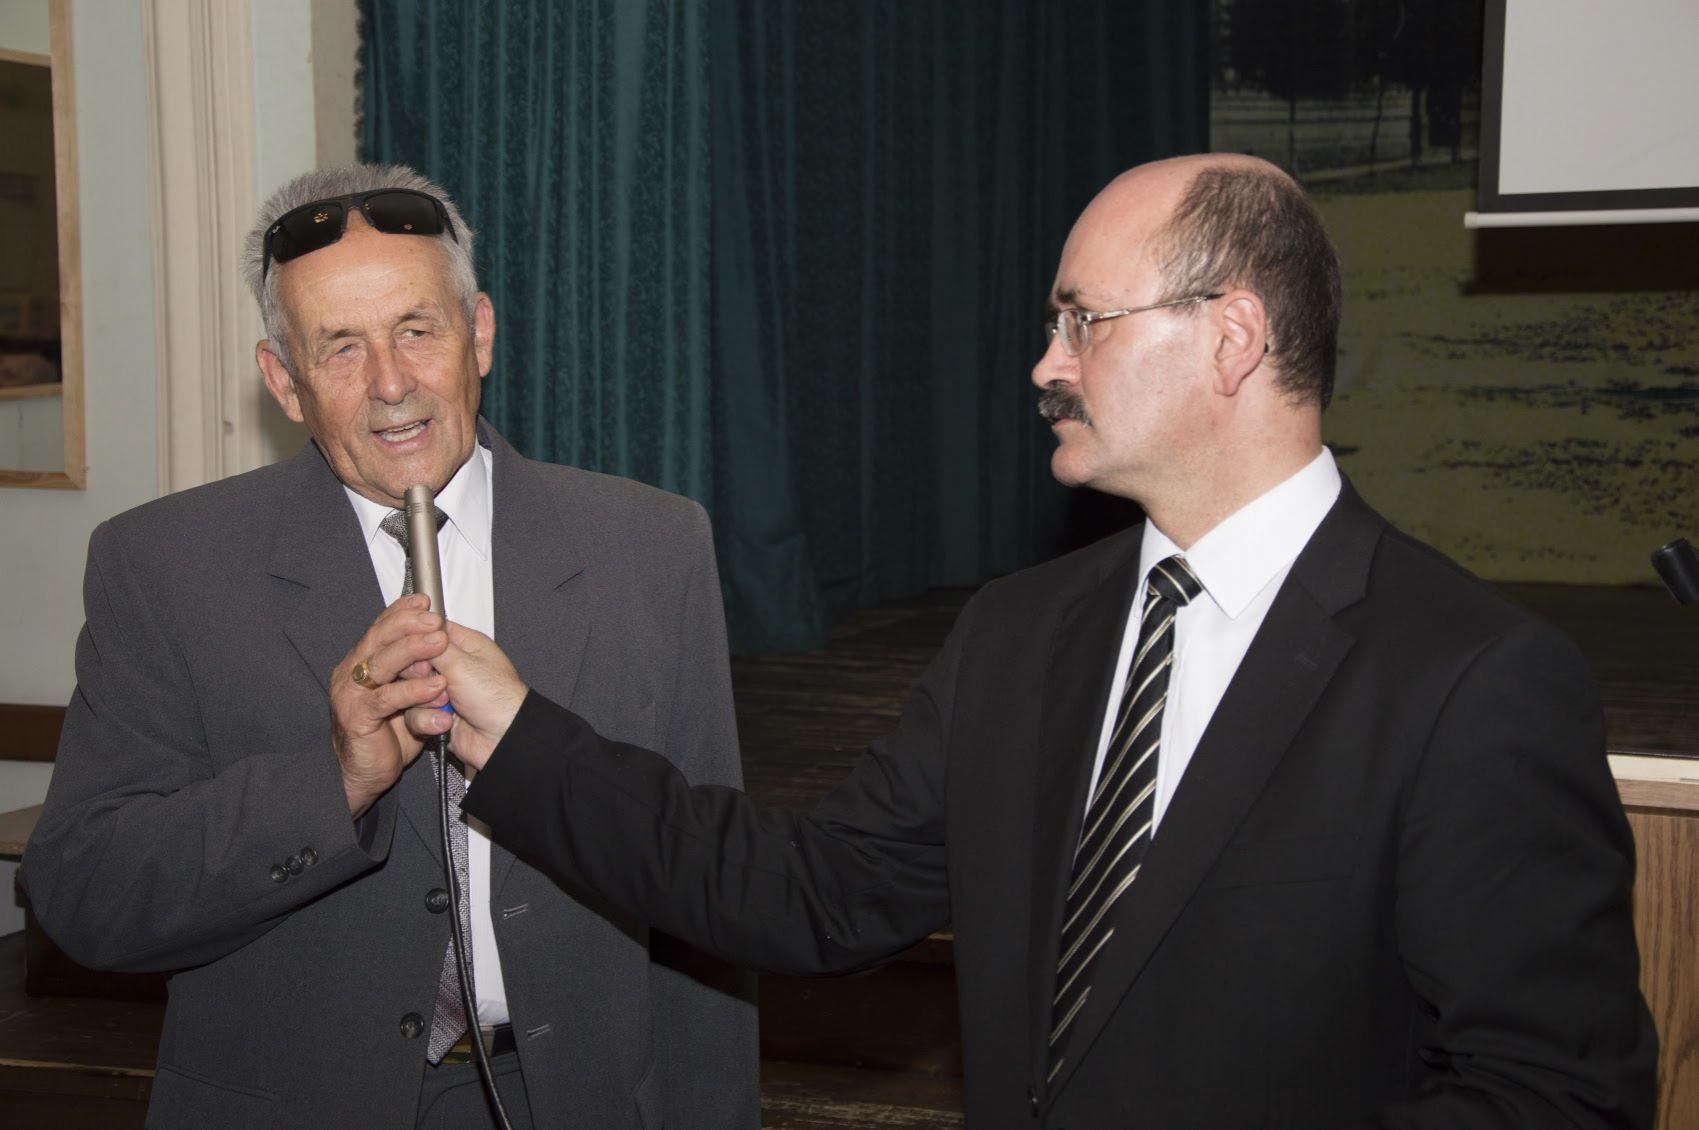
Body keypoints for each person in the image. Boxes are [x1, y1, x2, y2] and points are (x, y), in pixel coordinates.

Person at [410, 154, 1656, 1128]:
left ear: (1231, 338)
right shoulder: (1020, 631)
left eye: (1083, 321)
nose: (1044, 364)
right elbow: (813, 892)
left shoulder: (1471, 678)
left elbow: (1553, 1095)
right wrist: (521, 737)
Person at [22, 164, 757, 1129]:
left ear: (478, 333)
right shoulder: (162, 566)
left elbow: (707, 892)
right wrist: (333, 781)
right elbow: (87, 896)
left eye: (417, 329)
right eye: (339, 347)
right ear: (282, 380)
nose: (391, 383)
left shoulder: (651, 546)